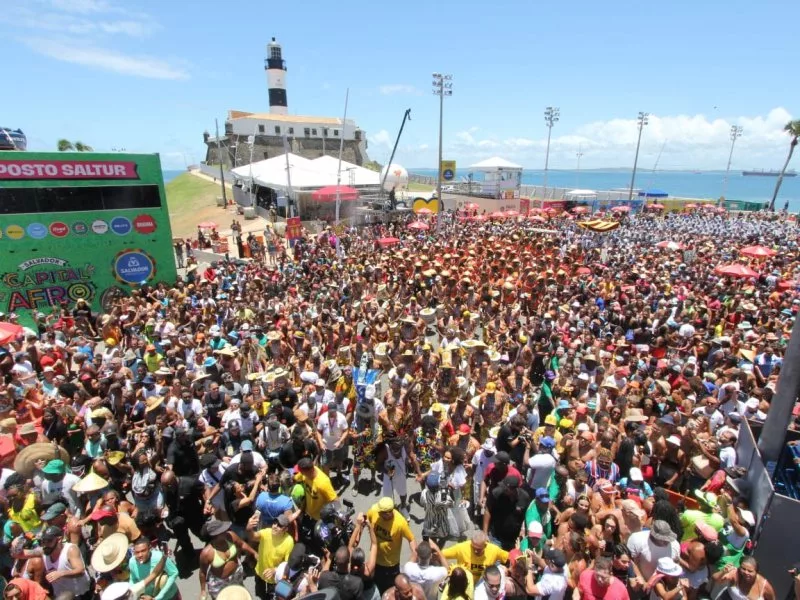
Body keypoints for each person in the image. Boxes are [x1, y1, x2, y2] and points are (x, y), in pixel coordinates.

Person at [367, 498, 417, 594]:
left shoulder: (400, 523)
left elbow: (411, 539)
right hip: (375, 560)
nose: (378, 513)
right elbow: (367, 518)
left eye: (380, 512)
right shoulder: (375, 511)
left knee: (391, 590)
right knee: (376, 587)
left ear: (388, 513)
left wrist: (415, 554)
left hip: (391, 565)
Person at [247, 513, 295, 600]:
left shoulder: (289, 541)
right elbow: (253, 537)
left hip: (274, 579)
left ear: (286, 529)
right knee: (260, 593)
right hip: (259, 572)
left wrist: (275, 570)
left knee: (272, 597)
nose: (275, 526)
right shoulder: (266, 532)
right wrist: (249, 528)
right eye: (275, 523)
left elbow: (288, 564)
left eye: (280, 525)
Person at [40, 524, 92, 600]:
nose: (45, 544)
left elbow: (81, 571)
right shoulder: (44, 552)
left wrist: (60, 573)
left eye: (49, 541)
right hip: (61, 596)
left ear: (59, 539)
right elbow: (25, 553)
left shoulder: (70, 550)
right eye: (43, 541)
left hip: (79, 595)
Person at [442, 531, 509, 583]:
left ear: (485, 545)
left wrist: (507, 570)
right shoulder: (461, 548)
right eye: (473, 548)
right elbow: (441, 554)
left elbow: (510, 557)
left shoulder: (494, 550)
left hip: (483, 584)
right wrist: (449, 571)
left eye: (479, 549)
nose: (475, 551)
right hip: (464, 583)